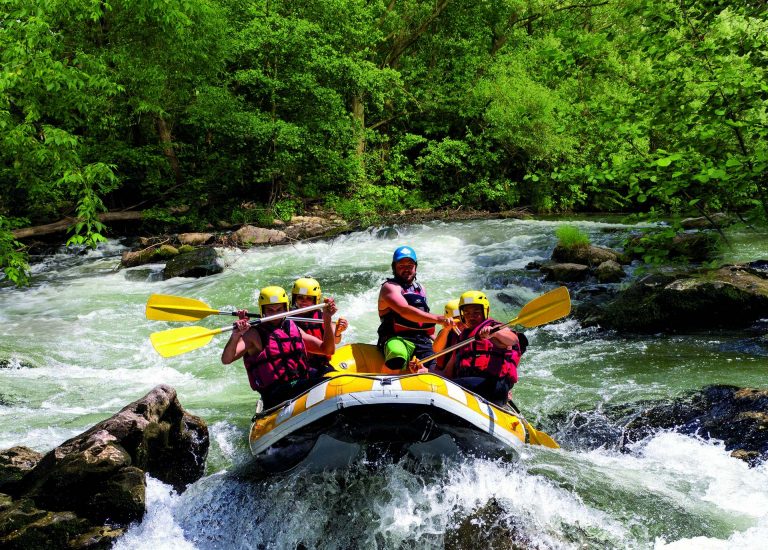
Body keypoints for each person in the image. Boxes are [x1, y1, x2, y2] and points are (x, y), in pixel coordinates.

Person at [221, 285, 337, 409]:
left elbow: (327, 349)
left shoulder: (292, 327)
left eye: (279, 309)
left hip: (300, 382)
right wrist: (236, 335)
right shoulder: (253, 334)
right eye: (270, 310)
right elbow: (226, 359)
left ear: (286, 308)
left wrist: (327, 318)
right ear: (263, 310)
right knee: (326, 385)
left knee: (332, 376)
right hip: (276, 394)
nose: (275, 314)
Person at [442, 290, 524, 407]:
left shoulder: (495, 328)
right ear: (462, 314)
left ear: (486, 311)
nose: (471, 317)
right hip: (469, 385)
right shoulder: (462, 338)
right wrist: (425, 373)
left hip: (493, 386)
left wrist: (495, 334)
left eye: (476, 312)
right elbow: (447, 373)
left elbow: (513, 339)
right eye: (467, 313)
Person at [377, 245, 453, 371]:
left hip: (422, 340)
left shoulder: (421, 289)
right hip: (397, 338)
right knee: (397, 355)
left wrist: (439, 341)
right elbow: (404, 310)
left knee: (438, 365)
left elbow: (423, 322)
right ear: (394, 267)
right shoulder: (389, 287)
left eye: (410, 265)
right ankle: (385, 383)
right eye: (401, 265)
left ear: (415, 267)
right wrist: (439, 319)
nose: (406, 269)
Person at [290, 277, 348, 376]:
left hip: (321, 364)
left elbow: (335, 341)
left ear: (315, 300)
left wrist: (338, 332)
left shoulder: (322, 316)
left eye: (309, 298)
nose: (304, 301)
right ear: (295, 298)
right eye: (300, 297)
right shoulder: (288, 319)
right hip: (301, 366)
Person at [431, 299, 466, 373]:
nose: (461, 323)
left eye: (463, 318)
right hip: (443, 372)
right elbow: (436, 350)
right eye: (457, 319)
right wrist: (446, 330)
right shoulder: (446, 332)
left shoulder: (474, 332)